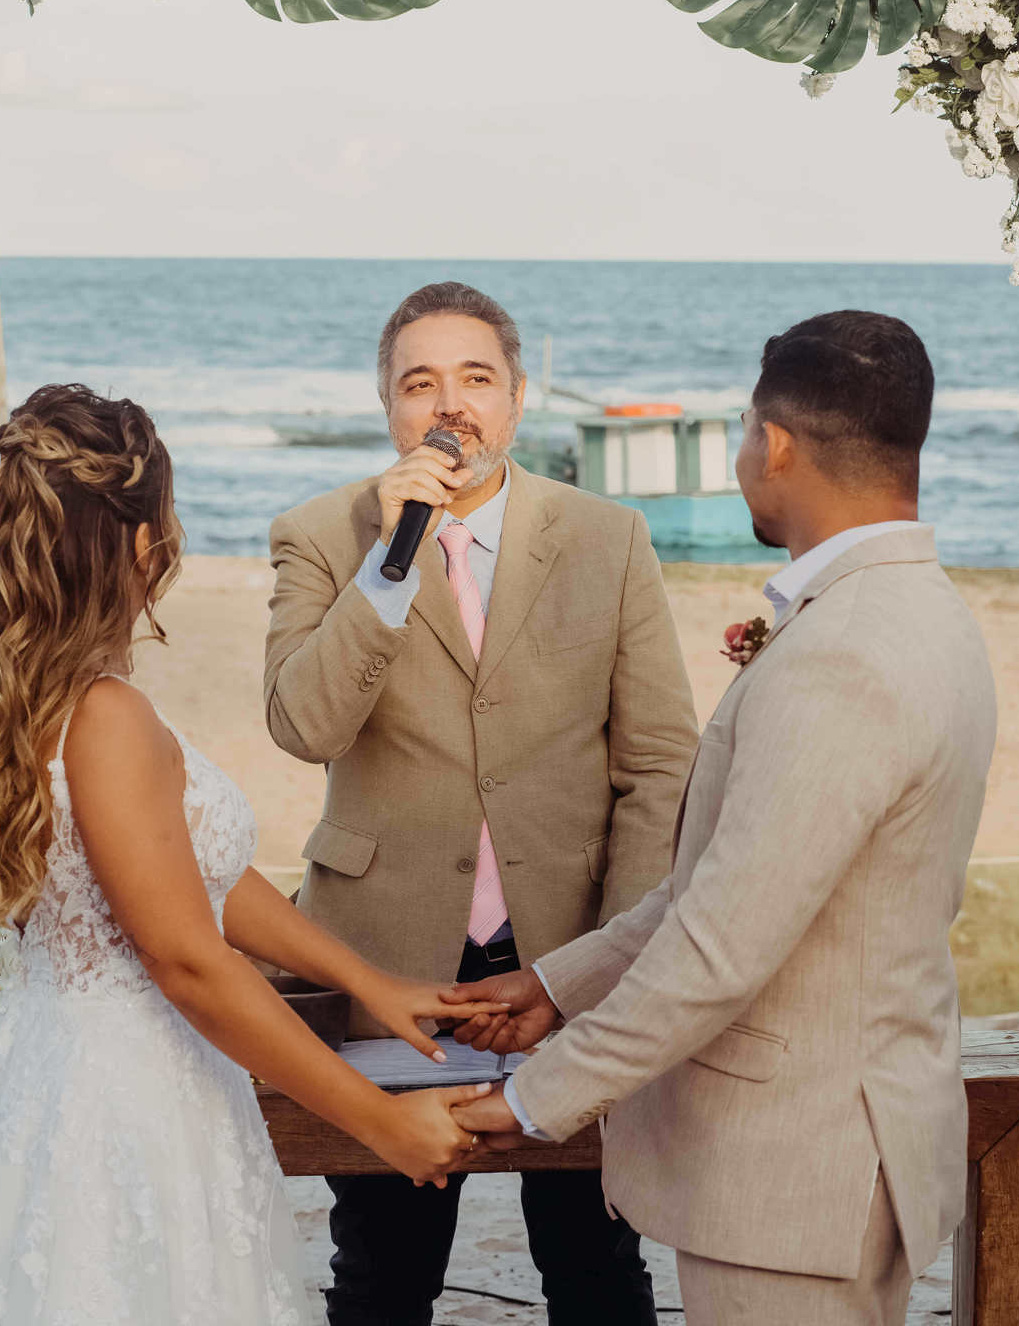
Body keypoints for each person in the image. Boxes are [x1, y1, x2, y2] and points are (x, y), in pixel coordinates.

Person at [0, 383, 505, 1326]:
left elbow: (189, 879)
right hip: (118, 1106)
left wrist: (366, 981)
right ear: (140, 542)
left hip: (61, 1071)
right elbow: (185, 958)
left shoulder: (49, 690)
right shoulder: (108, 717)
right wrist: (378, 1125)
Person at [452, 310, 998, 1326]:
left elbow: (721, 946)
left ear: (775, 442)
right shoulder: (920, 609)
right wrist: (558, 985)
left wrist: (531, 1101)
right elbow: (731, 882)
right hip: (839, 1148)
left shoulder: (847, 654)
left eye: (747, 432)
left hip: (800, 1172)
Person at [264, 281, 699, 1326]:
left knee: (596, 1273)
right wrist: (390, 559)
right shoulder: (323, 537)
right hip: (386, 974)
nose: (449, 405)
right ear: (388, 407)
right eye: (421, 383)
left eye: (475, 379)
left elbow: (660, 768)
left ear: (515, 400)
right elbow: (300, 727)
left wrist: (597, 967)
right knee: (383, 1277)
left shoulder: (608, 537)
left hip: (567, 974)